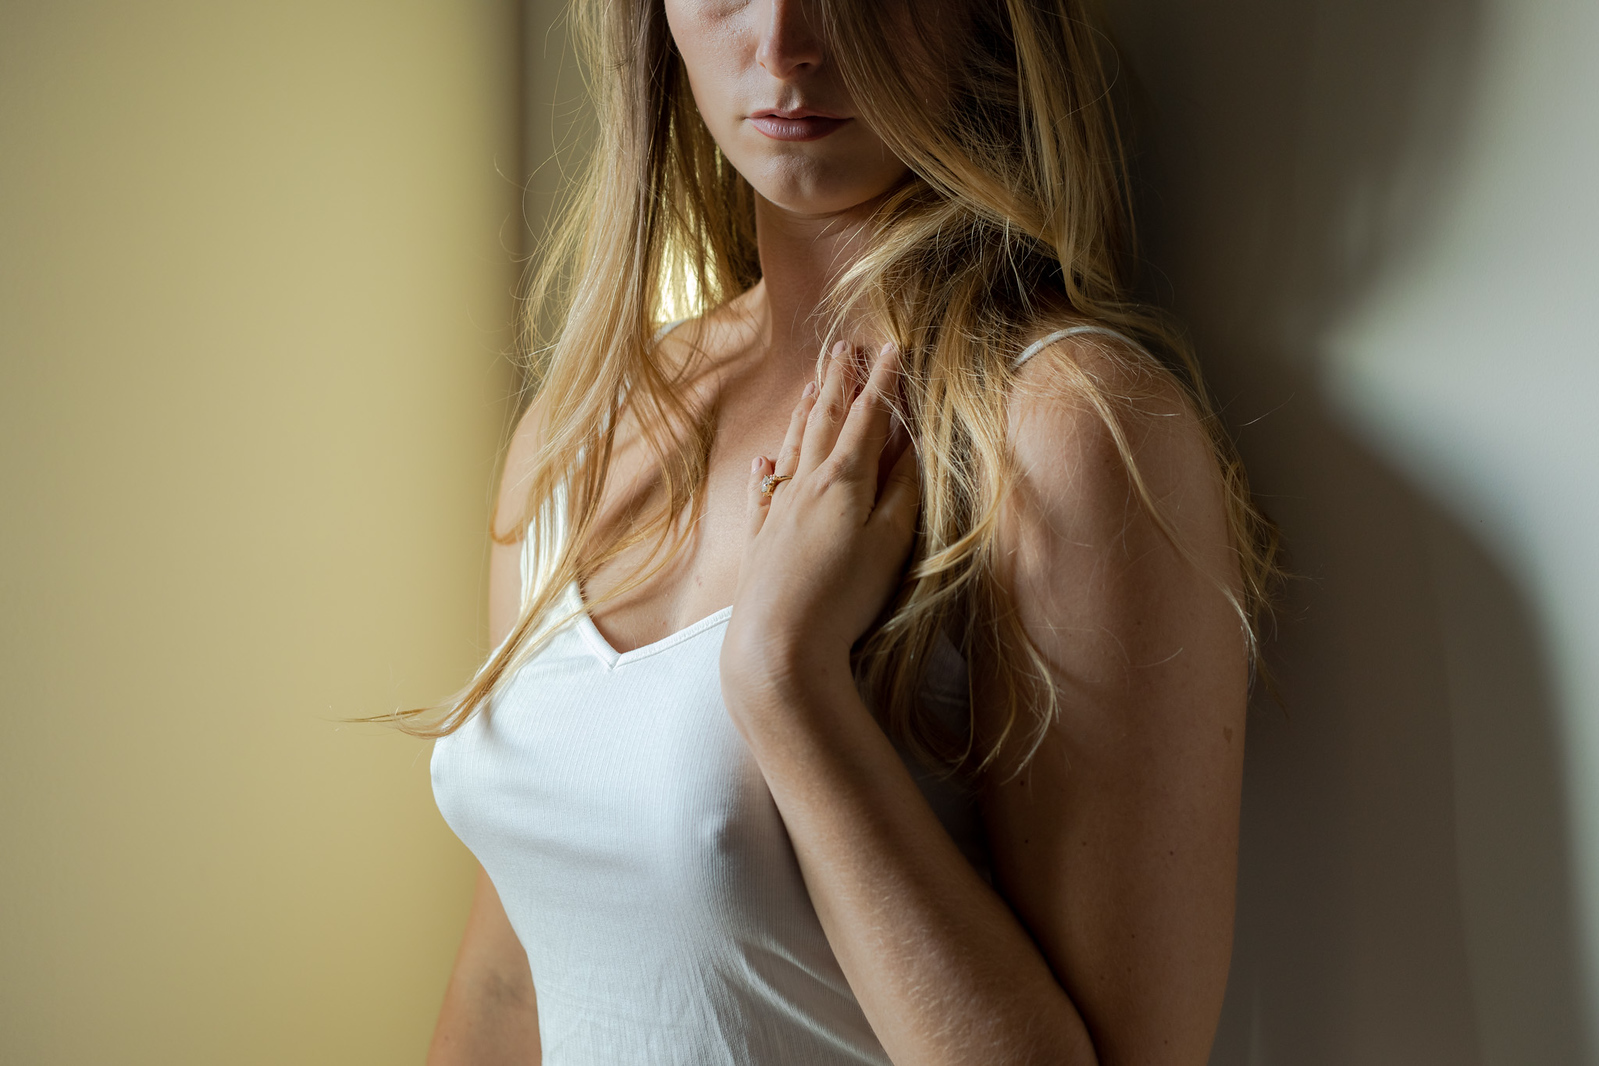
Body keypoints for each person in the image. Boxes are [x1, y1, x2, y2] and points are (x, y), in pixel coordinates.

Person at [416, 0, 1278, 1062]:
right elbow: (508, 983)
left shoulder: (1062, 437)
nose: (784, 42)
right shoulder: (587, 425)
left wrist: (789, 688)